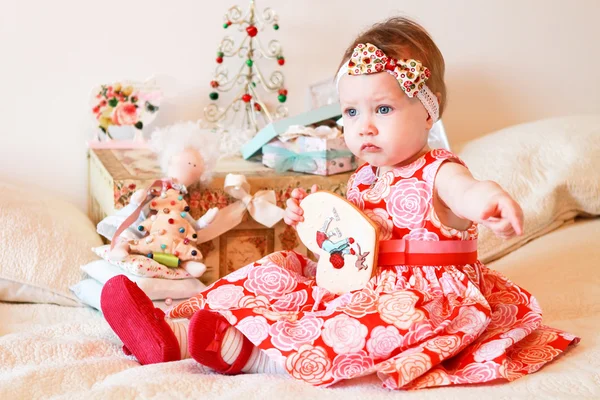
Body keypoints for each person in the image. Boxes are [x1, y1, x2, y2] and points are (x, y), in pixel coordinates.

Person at [101, 17, 578, 390]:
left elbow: (467, 191)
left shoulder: (439, 170)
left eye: (383, 109)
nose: (363, 126)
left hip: (419, 296)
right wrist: (306, 221)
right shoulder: (365, 177)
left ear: (428, 111)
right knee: (278, 269)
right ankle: (173, 329)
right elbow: (346, 235)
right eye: (352, 111)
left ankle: (256, 355)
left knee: (360, 325)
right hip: (351, 277)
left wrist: (488, 201)